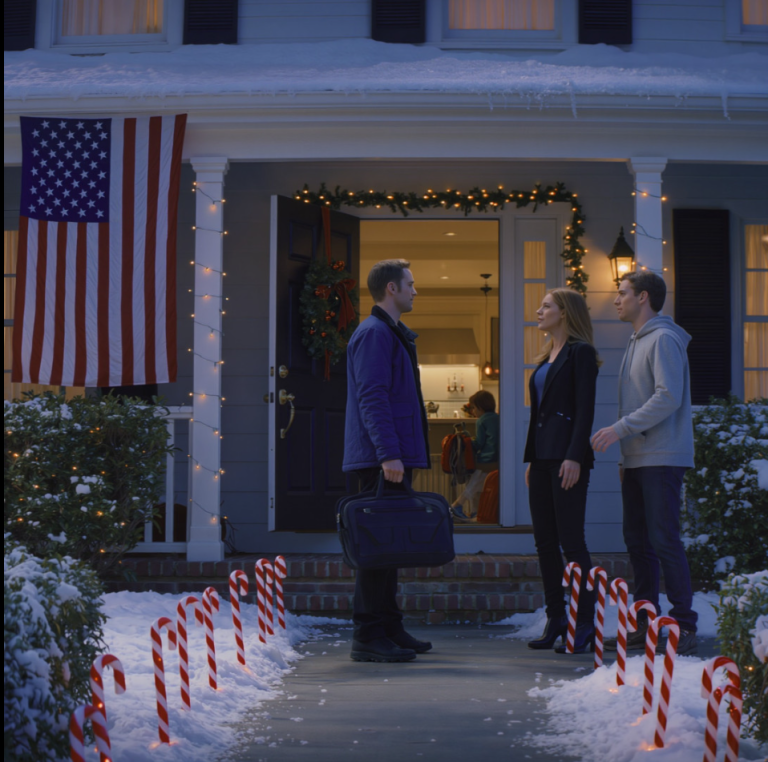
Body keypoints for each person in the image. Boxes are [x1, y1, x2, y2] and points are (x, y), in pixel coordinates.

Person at [592, 272, 698, 655]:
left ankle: (684, 625)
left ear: (644, 297)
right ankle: (646, 625)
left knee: (664, 539)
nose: (616, 300)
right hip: (638, 460)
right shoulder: (638, 341)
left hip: (663, 457)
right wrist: (626, 455)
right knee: (637, 542)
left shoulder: (665, 339)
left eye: (622, 294)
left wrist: (619, 430)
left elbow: (668, 397)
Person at [342, 259, 432, 663]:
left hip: (390, 456)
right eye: (411, 285)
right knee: (376, 549)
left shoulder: (390, 333)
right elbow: (372, 396)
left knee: (389, 547)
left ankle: (389, 626)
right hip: (381, 459)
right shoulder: (374, 333)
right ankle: (367, 635)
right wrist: (388, 454)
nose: (416, 291)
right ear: (392, 289)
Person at [524, 288, 600, 653]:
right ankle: (556, 618)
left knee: (572, 542)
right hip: (541, 461)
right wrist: (532, 460)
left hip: (568, 460)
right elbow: (538, 416)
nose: (539, 311)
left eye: (546, 306)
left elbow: (585, 409)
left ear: (565, 313)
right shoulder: (545, 357)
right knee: (544, 543)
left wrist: (574, 456)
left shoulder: (580, 353)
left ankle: (584, 622)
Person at [451, 390, 499, 522]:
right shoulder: (498, 417)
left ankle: (457, 505)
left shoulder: (481, 421)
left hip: (486, 459)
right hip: (498, 458)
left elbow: (479, 443)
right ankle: (475, 513)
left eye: (473, 408)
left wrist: (467, 440)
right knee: (479, 485)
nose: (472, 411)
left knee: (473, 483)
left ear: (480, 407)